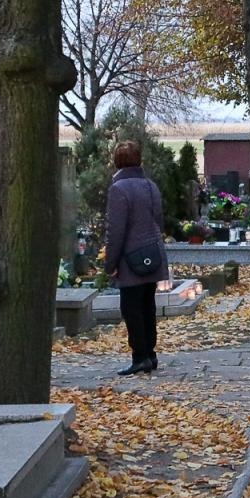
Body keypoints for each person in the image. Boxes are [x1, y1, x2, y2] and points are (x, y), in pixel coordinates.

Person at [104, 141, 165, 376]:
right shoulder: (150, 185)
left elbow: (115, 230)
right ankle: (150, 353)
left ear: (117, 162)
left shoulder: (118, 189)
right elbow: (159, 220)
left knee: (131, 307)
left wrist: (110, 263)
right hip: (152, 252)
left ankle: (139, 356)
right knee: (147, 305)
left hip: (131, 258)